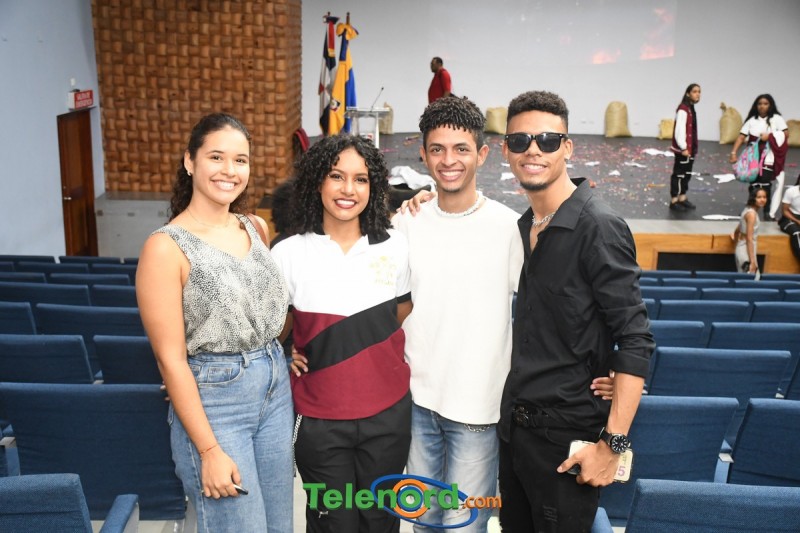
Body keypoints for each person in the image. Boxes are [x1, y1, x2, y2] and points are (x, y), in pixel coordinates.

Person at [393, 97, 615, 532]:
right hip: (416, 404)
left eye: (461, 149)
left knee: (463, 526)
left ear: (482, 154)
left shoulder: (510, 229)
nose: (449, 160)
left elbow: (558, 311)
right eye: (437, 149)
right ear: (423, 155)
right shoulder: (406, 223)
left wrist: (604, 367)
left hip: (479, 410)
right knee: (422, 524)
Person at [497, 91, 655, 533]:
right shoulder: (525, 226)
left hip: (567, 445)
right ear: (506, 150)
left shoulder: (598, 226)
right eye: (521, 140)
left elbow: (636, 338)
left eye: (547, 140)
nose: (533, 150)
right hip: (516, 437)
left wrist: (612, 445)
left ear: (567, 147)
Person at [136, 113, 294, 532]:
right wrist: (208, 451)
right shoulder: (165, 247)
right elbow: (170, 360)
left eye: (240, 160)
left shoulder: (255, 227)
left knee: (280, 525)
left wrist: (284, 354)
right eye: (216, 157)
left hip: (276, 390)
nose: (230, 170)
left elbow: (264, 311)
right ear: (190, 161)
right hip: (218, 405)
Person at [271, 134, 412, 533]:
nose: (349, 189)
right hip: (319, 421)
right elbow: (274, 328)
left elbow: (401, 311)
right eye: (336, 176)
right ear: (317, 181)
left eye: (361, 179)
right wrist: (284, 352)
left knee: (379, 520)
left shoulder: (396, 247)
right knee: (334, 523)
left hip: (388, 416)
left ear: (374, 187)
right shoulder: (288, 253)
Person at [729, 94, 790, 220]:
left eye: (765, 104)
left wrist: (770, 136)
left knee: (765, 184)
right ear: (756, 106)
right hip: (753, 157)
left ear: (770, 105)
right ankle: (750, 209)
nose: (762, 106)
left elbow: (786, 133)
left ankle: (767, 212)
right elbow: (741, 137)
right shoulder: (751, 120)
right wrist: (733, 153)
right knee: (754, 184)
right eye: (760, 104)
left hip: (769, 156)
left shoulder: (777, 119)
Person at [669, 83, 701, 211]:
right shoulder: (683, 109)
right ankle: (674, 199)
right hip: (684, 149)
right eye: (694, 91)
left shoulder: (690, 108)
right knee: (679, 174)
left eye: (699, 92)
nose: (697, 94)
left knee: (686, 173)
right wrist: (683, 147)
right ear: (688, 93)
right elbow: (680, 129)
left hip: (690, 148)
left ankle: (682, 197)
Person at [732, 188, 768, 274]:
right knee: (751, 278)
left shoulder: (747, 210)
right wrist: (752, 262)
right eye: (759, 197)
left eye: (764, 197)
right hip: (746, 251)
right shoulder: (752, 214)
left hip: (742, 248)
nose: (762, 200)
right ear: (753, 198)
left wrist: (736, 243)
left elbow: (738, 229)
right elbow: (749, 238)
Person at [778, 174, 800, 263]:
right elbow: (784, 211)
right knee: (796, 233)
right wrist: (797, 221)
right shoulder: (791, 192)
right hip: (790, 217)